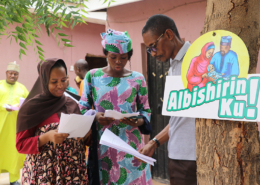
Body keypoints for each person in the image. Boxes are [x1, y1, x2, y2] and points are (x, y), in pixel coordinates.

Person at [79, 29, 152, 185]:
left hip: (131, 148)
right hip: (102, 148)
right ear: (106, 54)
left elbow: (145, 110)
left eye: (123, 58)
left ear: (129, 56)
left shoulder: (138, 79)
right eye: (113, 57)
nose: (118, 61)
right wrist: (96, 116)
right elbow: (82, 108)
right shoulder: (92, 76)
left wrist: (138, 121)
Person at [140, 14, 197, 185]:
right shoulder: (174, 66)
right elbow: (178, 118)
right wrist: (154, 142)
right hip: (177, 154)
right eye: (149, 50)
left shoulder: (195, 60)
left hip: (192, 157)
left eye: (153, 46)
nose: (153, 53)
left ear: (169, 35)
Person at [16, 58, 90, 185]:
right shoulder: (31, 108)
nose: (60, 85)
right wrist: (46, 137)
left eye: (63, 80)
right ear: (44, 81)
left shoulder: (72, 104)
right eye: (54, 82)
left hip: (73, 173)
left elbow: (84, 140)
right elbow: (21, 145)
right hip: (44, 174)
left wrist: (86, 134)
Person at [0, 62, 28, 185]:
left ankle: (13, 179)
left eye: (15, 74)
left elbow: (28, 103)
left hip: (15, 127)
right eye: (11, 73)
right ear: (6, 73)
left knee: (14, 153)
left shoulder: (22, 88)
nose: (13, 75)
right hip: (1, 126)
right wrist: (2, 107)